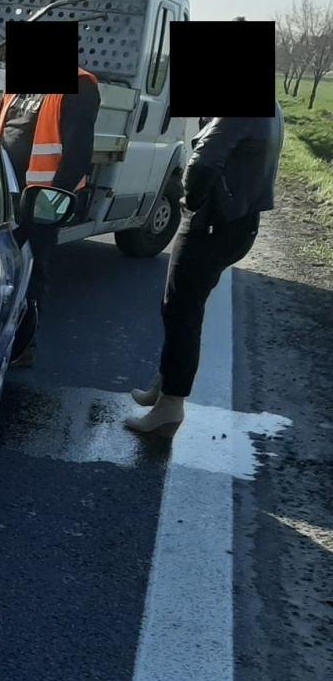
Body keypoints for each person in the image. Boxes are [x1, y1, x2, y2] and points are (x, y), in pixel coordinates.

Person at [125, 100, 284, 435]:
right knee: (185, 307)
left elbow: (204, 159)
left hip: (212, 222)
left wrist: (191, 201)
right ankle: (166, 383)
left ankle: (170, 405)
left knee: (181, 311)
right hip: (240, 222)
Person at [0, 43, 101, 366]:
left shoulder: (80, 87)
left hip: (41, 199)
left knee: (31, 271)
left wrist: (55, 200)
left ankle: (23, 347)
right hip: (3, 193)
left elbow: (79, 154)